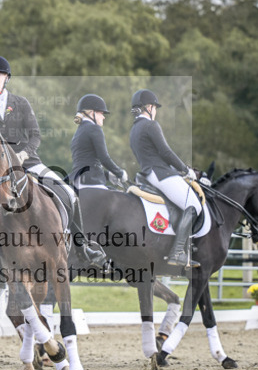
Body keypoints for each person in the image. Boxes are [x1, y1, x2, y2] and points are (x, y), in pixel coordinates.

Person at [0, 55, 107, 270]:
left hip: (29, 163)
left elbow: (35, 135)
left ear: (6, 77)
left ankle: (83, 247)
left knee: (70, 194)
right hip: (0, 171)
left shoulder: (21, 103)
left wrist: (24, 154)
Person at [128, 88, 200, 269]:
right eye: (155, 107)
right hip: (161, 173)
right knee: (194, 205)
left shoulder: (134, 129)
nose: (156, 111)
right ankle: (177, 252)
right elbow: (165, 152)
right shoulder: (151, 125)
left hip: (148, 174)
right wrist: (185, 170)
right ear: (149, 107)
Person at [69, 93, 128, 190]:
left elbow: (86, 162)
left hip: (78, 181)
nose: (103, 117)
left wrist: (108, 175)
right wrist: (120, 173)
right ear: (92, 113)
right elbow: (104, 158)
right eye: (101, 113)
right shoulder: (94, 128)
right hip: (91, 181)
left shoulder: (78, 132)